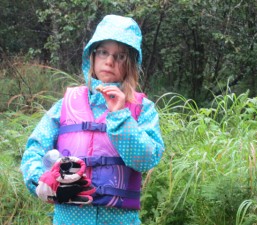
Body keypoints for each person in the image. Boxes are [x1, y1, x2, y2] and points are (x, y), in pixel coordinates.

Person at [21, 14, 165, 225]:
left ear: (131, 63)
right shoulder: (65, 105)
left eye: (120, 56)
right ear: (92, 56)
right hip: (69, 219)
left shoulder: (143, 109)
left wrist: (119, 116)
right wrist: (40, 181)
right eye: (103, 52)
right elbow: (35, 148)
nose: (109, 61)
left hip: (120, 220)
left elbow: (146, 159)